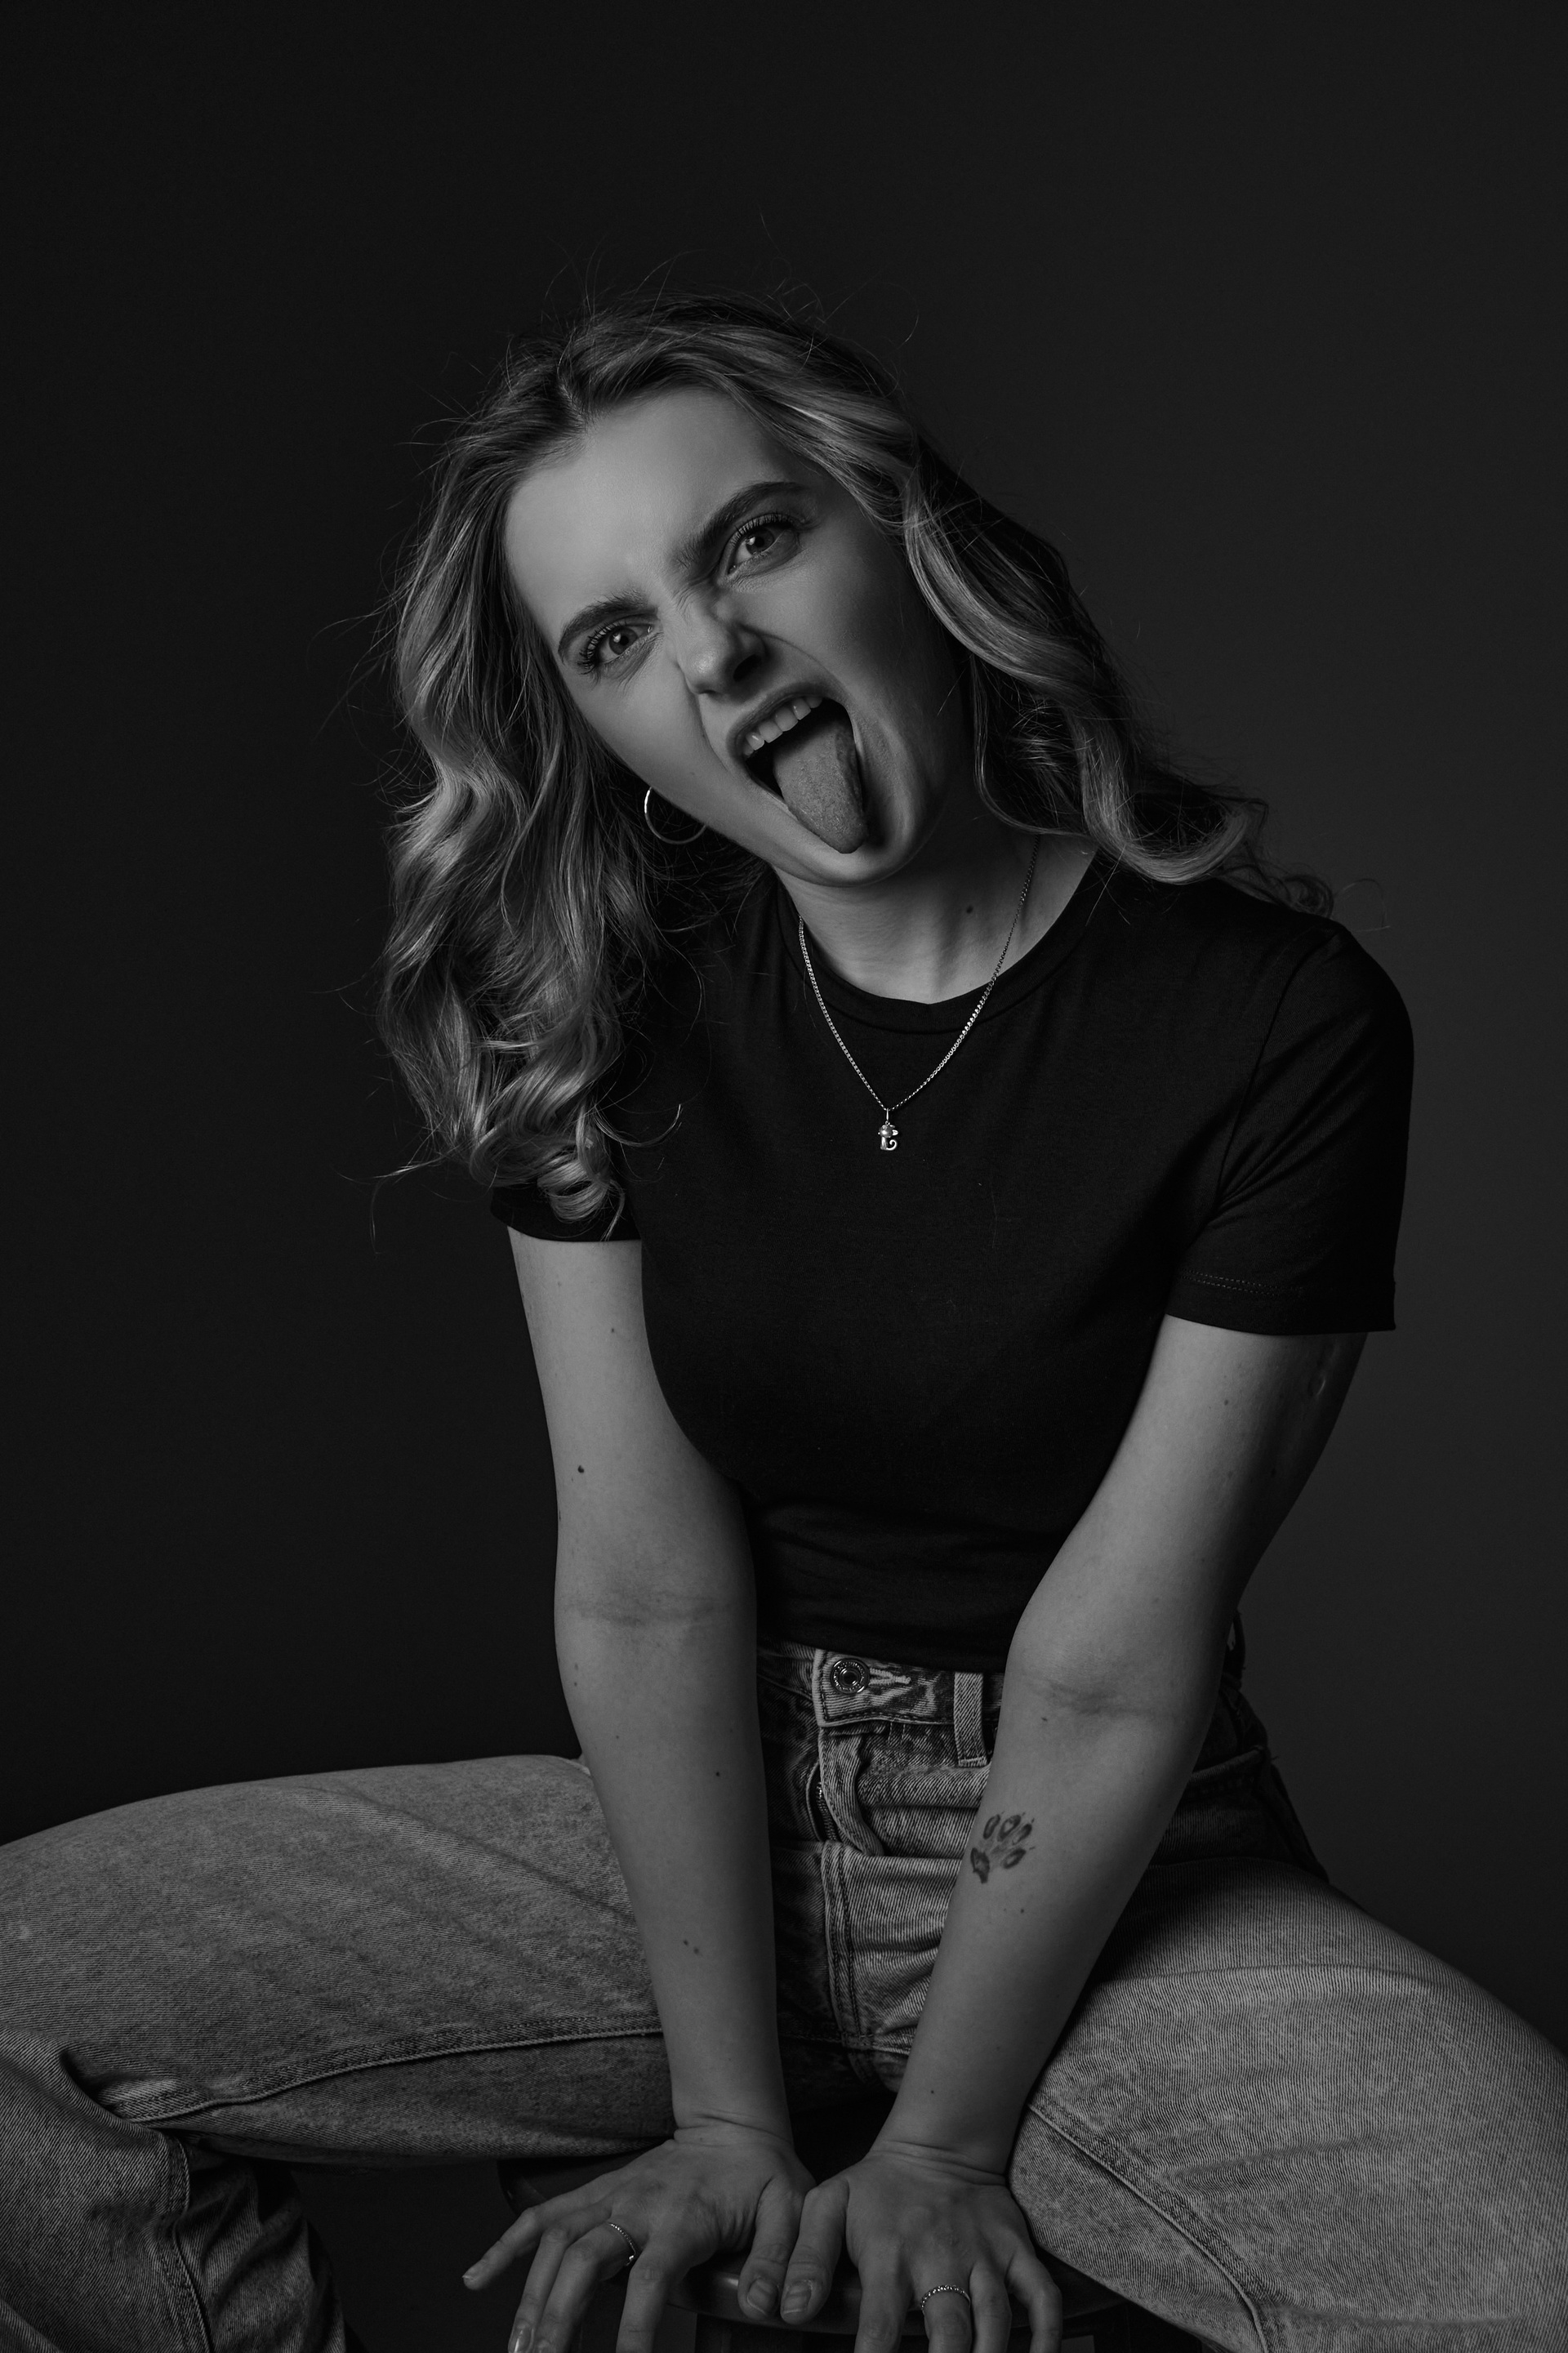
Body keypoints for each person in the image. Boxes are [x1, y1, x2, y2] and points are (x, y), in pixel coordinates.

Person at [2, 295, 1564, 2353]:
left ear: (899, 531)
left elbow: (1116, 1660)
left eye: (747, 542)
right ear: (599, 730)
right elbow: (644, 1584)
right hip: (687, 1840)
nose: (713, 651)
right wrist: (724, 2110)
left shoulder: (1275, 1022)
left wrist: (942, 2146)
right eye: (614, 637)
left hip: (1100, 1876)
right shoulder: (601, 1014)